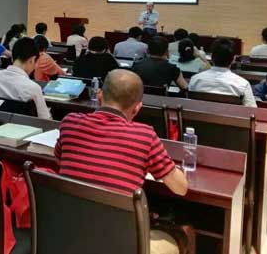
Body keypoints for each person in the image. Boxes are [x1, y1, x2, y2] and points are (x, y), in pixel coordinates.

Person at [55, 69, 188, 254]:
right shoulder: (145, 136)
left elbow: (59, 159)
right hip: (119, 245)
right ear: (137, 108)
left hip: (68, 236)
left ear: (99, 96)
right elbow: (181, 188)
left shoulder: (69, 122)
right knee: (182, 234)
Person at [0, 37, 52, 119]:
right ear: (32, 60)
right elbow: (45, 119)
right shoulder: (33, 88)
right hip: (25, 126)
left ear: (12, 58)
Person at [189, 38, 257, 107]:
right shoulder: (243, 84)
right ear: (233, 59)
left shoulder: (195, 79)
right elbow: (252, 109)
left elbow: (189, 105)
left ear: (211, 57)